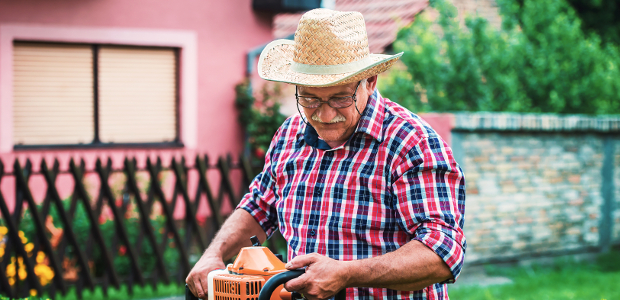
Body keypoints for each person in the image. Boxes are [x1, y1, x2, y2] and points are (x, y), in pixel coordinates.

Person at [186, 8, 466, 300]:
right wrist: (214, 254)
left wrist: (347, 273)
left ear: (370, 82)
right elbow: (260, 207)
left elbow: (442, 253)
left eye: (339, 98)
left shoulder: (410, 143)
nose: (324, 114)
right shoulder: (289, 136)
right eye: (309, 98)